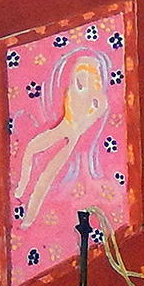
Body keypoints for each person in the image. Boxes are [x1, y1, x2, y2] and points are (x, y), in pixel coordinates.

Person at [15, 54, 110, 228]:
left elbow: (100, 109)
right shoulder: (75, 87)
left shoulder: (97, 98)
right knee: (31, 148)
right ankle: (22, 186)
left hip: (71, 135)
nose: (80, 77)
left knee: (46, 177)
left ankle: (28, 219)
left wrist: (81, 126)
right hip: (61, 128)